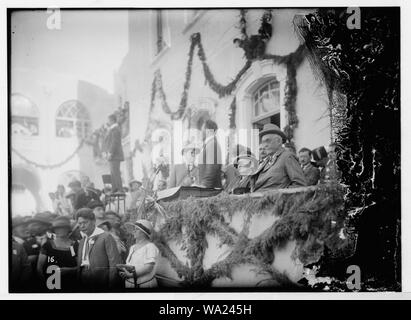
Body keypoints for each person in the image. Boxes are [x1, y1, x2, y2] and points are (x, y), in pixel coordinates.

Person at [76, 208, 122, 291]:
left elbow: (114, 264)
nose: (82, 226)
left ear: (94, 221)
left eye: (85, 222)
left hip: (101, 281)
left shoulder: (106, 237)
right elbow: (81, 264)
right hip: (84, 280)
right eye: (80, 223)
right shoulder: (82, 241)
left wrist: (112, 285)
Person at [251, 123, 307, 192]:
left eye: (267, 141)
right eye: (263, 142)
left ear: (279, 141)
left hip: (273, 201)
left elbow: (300, 185)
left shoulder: (287, 157)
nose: (264, 145)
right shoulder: (266, 161)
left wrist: (277, 196)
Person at [37, 217, 78, 291]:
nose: (60, 230)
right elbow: (39, 268)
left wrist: (70, 270)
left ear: (68, 229)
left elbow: (80, 267)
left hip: (72, 285)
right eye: (57, 228)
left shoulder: (74, 245)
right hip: (51, 286)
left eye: (64, 228)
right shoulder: (47, 246)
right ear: (54, 230)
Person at [119, 219, 160, 288]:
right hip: (130, 284)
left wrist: (131, 275)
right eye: (134, 229)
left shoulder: (150, 247)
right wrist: (125, 270)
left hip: (144, 285)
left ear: (144, 233)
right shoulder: (132, 247)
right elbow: (132, 264)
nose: (133, 231)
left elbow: (148, 268)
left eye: (136, 229)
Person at [198, 120, 222, 189]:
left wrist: (204, 186)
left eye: (202, 129)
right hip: (208, 189)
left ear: (208, 131)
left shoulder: (212, 144)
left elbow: (212, 167)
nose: (201, 132)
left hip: (209, 190)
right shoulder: (209, 144)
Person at [104, 114, 124, 193]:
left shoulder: (115, 129)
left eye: (109, 120)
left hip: (115, 155)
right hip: (113, 155)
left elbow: (115, 143)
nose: (108, 122)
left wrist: (110, 153)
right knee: (113, 173)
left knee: (115, 173)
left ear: (112, 120)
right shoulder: (112, 129)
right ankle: (114, 188)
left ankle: (120, 189)